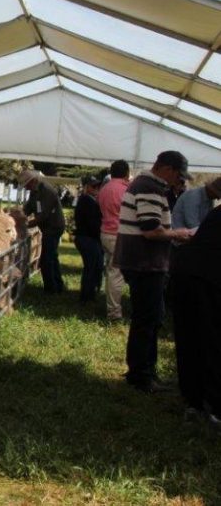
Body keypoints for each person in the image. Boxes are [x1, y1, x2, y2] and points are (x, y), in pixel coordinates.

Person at [113, 151, 195, 393]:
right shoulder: (149, 187)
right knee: (147, 319)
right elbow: (150, 229)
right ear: (167, 169)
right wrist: (180, 234)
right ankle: (141, 376)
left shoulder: (147, 184)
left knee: (150, 317)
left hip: (142, 262)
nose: (179, 181)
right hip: (144, 263)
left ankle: (145, 371)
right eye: (178, 176)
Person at [171, 202, 221, 425]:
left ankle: (194, 400)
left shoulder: (217, 213)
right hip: (205, 280)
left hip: (185, 274)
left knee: (190, 339)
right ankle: (211, 406)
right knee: (210, 341)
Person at [19, 169, 66, 294]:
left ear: (33, 181)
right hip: (48, 227)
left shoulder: (46, 191)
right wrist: (19, 215)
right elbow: (29, 207)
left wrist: (26, 224)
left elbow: (43, 215)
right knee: (52, 256)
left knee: (46, 259)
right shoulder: (35, 191)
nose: (26, 188)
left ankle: (50, 289)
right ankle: (58, 285)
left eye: (27, 184)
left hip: (53, 227)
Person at [98, 160, 130, 321]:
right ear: (126, 173)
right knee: (116, 274)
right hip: (118, 234)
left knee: (111, 272)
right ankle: (114, 313)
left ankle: (111, 307)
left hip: (105, 233)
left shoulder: (104, 189)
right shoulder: (126, 190)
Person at [74, 176, 103, 304]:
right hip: (87, 238)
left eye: (98, 186)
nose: (97, 188)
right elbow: (92, 223)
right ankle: (86, 297)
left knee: (93, 267)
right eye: (93, 186)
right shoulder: (86, 200)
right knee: (91, 268)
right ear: (86, 187)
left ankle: (89, 295)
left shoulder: (88, 200)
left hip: (88, 238)